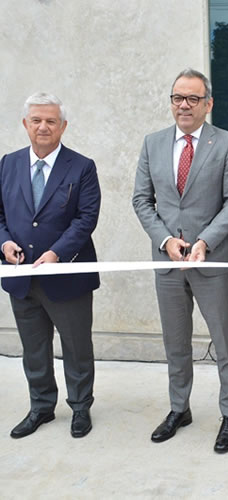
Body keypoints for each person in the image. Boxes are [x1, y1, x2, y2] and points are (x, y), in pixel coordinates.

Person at [132, 68, 228, 454]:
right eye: (177, 97)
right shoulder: (153, 143)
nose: (184, 105)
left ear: (207, 104)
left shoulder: (227, 143)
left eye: (193, 98)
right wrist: (164, 239)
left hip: (210, 261)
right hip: (166, 263)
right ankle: (179, 409)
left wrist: (204, 241)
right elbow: (141, 200)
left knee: (224, 342)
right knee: (175, 343)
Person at [0, 92, 101, 439]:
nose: (43, 127)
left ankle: (80, 407)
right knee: (34, 349)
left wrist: (57, 253)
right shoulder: (7, 164)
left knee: (76, 347)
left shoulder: (82, 166)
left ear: (63, 126)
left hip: (66, 275)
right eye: (36, 120)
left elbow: (86, 218)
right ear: (25, 124)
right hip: (22, 278)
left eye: (51, 121)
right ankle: (41, 407)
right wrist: (3, 243)